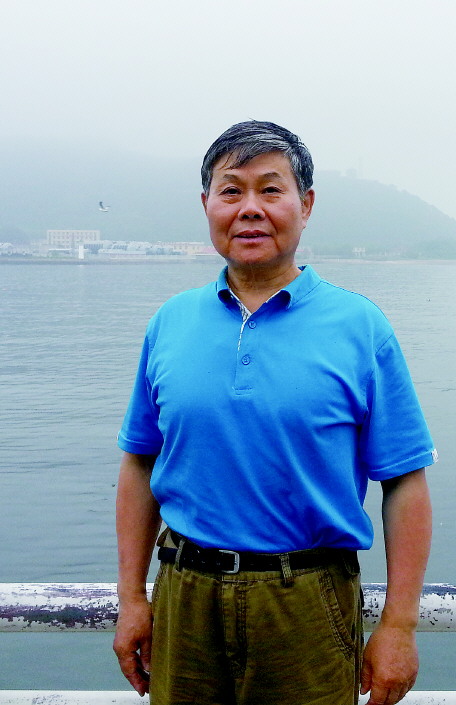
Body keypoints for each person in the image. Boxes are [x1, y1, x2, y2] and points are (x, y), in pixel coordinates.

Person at [113, 120, 436, 705]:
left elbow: (405, 481)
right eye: (230, 190)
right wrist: (132, 596)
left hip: (307, 600)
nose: (249, 209)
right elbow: (139, 463)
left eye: (270, 189)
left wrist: (399, 625)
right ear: (207, 205)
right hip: (183, 594)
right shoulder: (170, 323)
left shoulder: (360, 327)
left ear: (305, 205)